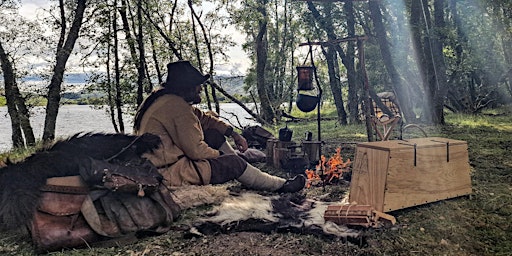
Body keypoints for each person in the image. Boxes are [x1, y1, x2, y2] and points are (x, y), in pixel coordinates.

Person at [133, 60, 305, 193]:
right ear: (187, 87)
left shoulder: (168, 100)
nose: (201, 88)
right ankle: (280, 185)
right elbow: (196, 151)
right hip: (169, 172)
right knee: (233, 164)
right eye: (198, 84)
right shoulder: (176, 107)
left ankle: (244, 167)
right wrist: (221, 156)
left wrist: (233, 134)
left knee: (214, 135)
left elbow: (205, 119)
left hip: (159, 166)